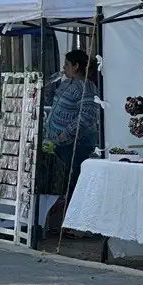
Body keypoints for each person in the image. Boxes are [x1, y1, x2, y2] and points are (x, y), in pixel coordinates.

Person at [45, 49, 99, 203]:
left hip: (76, 145)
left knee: (72, 183)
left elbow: (86, 117)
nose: (64, 68)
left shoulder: (87, 88)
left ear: (76, 66)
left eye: (66, 65)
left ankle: (70, 218)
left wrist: (65, 135)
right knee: (60, 182)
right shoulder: (66, 83)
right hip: (58, 143)